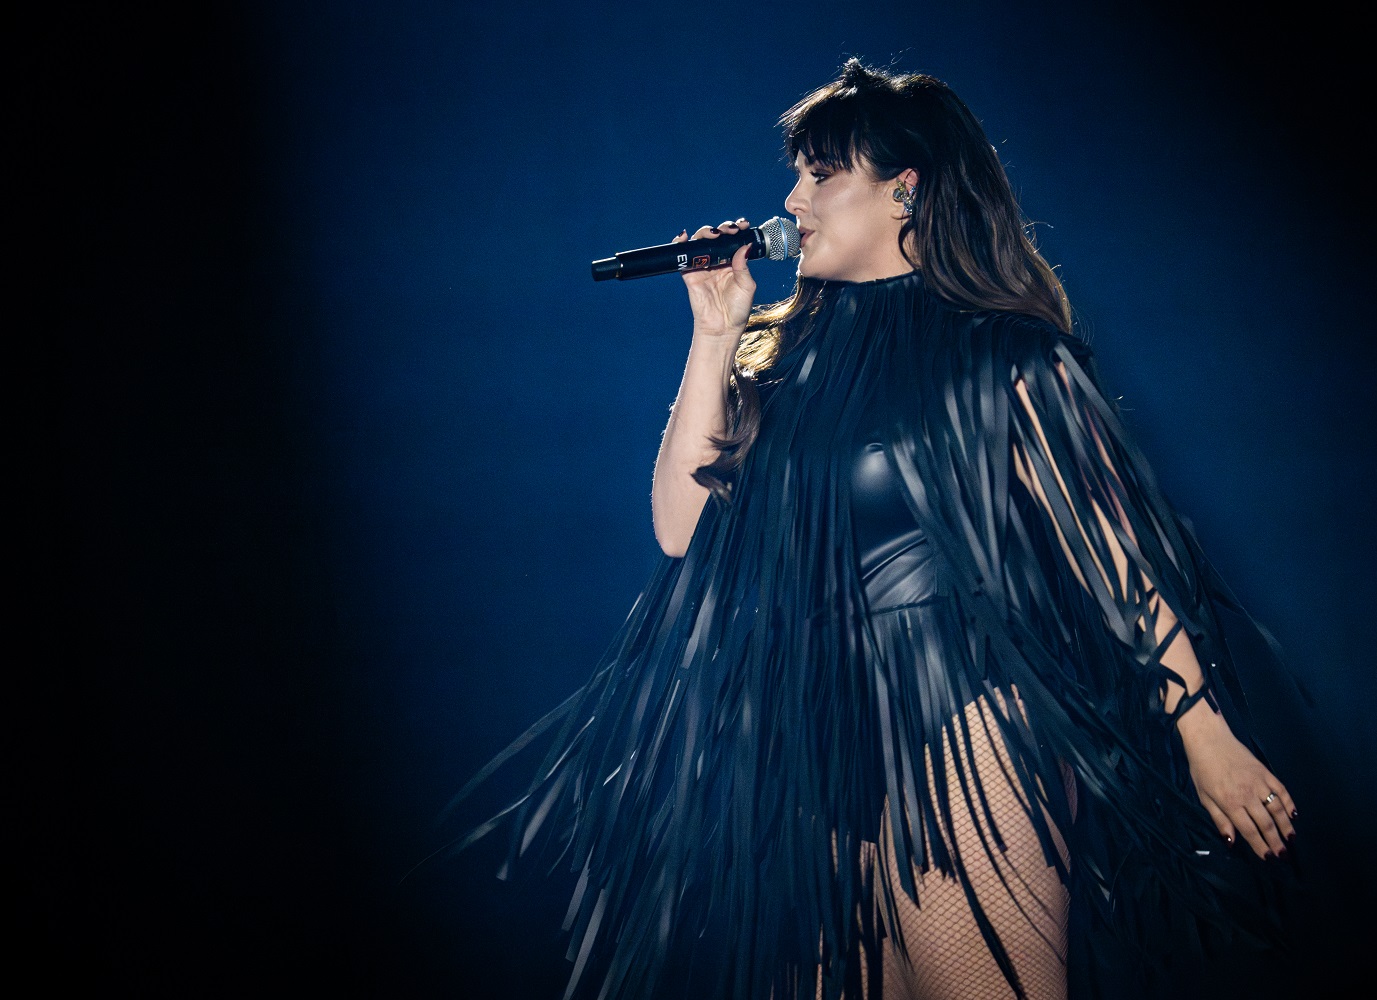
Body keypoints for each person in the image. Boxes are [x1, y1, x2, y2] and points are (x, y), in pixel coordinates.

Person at [454, 59, 1302, 1000]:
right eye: (796, 175)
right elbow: (680, 528)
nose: (792, 200)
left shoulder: (1003, 351)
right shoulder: (783, 357)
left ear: (906, 189)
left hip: (963, 719)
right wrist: (715, 333)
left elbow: (1108, 552)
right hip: (819, 741)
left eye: (821, 175)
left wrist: (1204, 733)